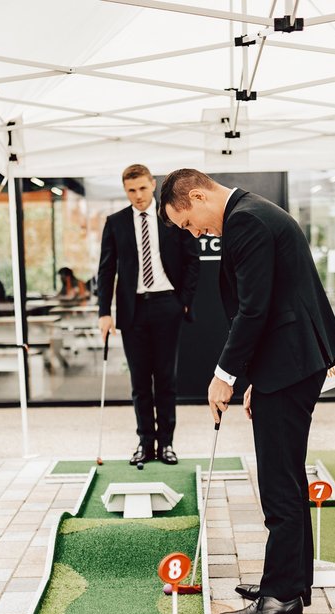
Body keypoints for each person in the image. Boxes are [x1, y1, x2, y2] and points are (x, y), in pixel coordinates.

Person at [160, 169, 335, 614]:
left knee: (278, 479)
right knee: (286, 474)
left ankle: (281, 596)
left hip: (292, 360)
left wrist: (225, 376)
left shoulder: (246, 221)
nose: (196, 233)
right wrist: (257, 382)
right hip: (288, 362)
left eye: (189, 223)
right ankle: (290, 579)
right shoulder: (254, 212)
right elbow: (269, 302)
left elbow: (254, 308)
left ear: (199, 195)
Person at [98, 164, 200, 466]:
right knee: (140, 382)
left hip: (167, 304)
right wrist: (104, 312)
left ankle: (167, 443)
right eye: (131, 190)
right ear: (125, 190)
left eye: (142, 188)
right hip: (133, 311)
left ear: (152, 185)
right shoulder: (115, 222)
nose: (138, 196)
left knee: (166, 380)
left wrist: (183, 301)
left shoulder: (169, 217)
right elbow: (106, 270)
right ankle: (145, 443)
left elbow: (192, 261)